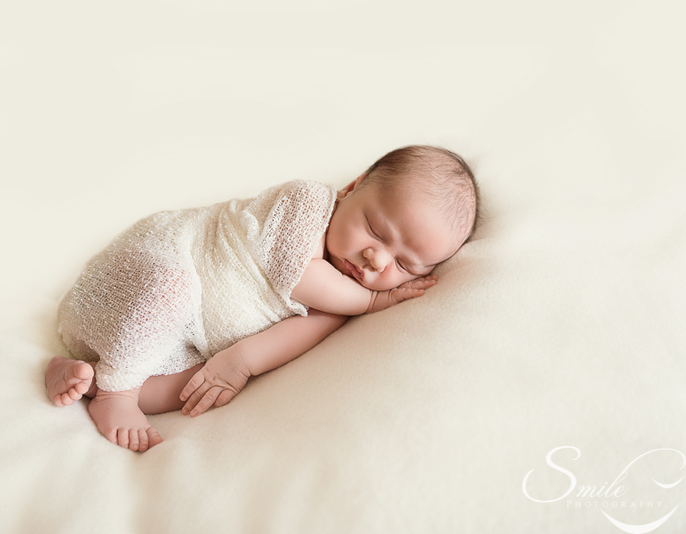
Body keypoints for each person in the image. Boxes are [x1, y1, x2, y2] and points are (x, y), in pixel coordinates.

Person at [45, 145, 479, 452]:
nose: (376, 259)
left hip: (171, 341)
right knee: (169, 287)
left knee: (194, 387)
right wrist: (370, 303)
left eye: (404, 265)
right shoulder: (306, 203)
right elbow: (296, 275)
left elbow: (291, 338)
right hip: (144, 275)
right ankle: (116, 395)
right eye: (375, 230)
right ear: (353, 186)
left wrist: (238, 363)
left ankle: (85, 379)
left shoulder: (339, 303)